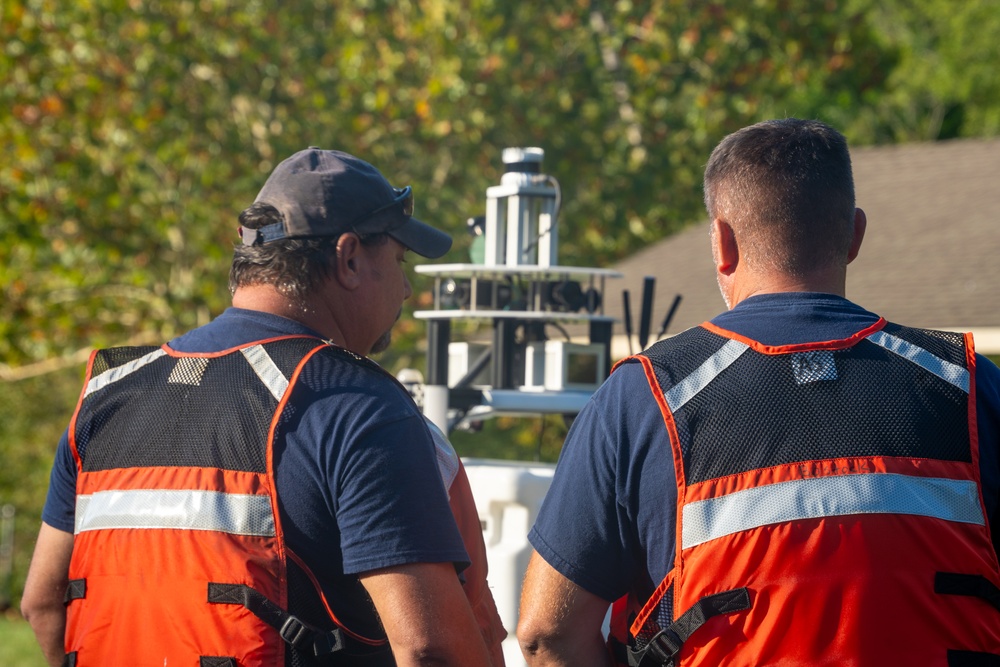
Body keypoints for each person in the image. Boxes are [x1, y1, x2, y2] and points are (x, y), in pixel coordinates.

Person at [517, 119, 1000, 665]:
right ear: (855, 235)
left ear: (721, 242)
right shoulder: (966, 385)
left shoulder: (646, 397)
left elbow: (545, 634)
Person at [20, 147, 497, 666]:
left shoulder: (106, 394)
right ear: (351, 257)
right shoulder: (356, 406)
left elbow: (44, 604)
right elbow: (432, 648)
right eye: (399, 262)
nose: (406, 289)